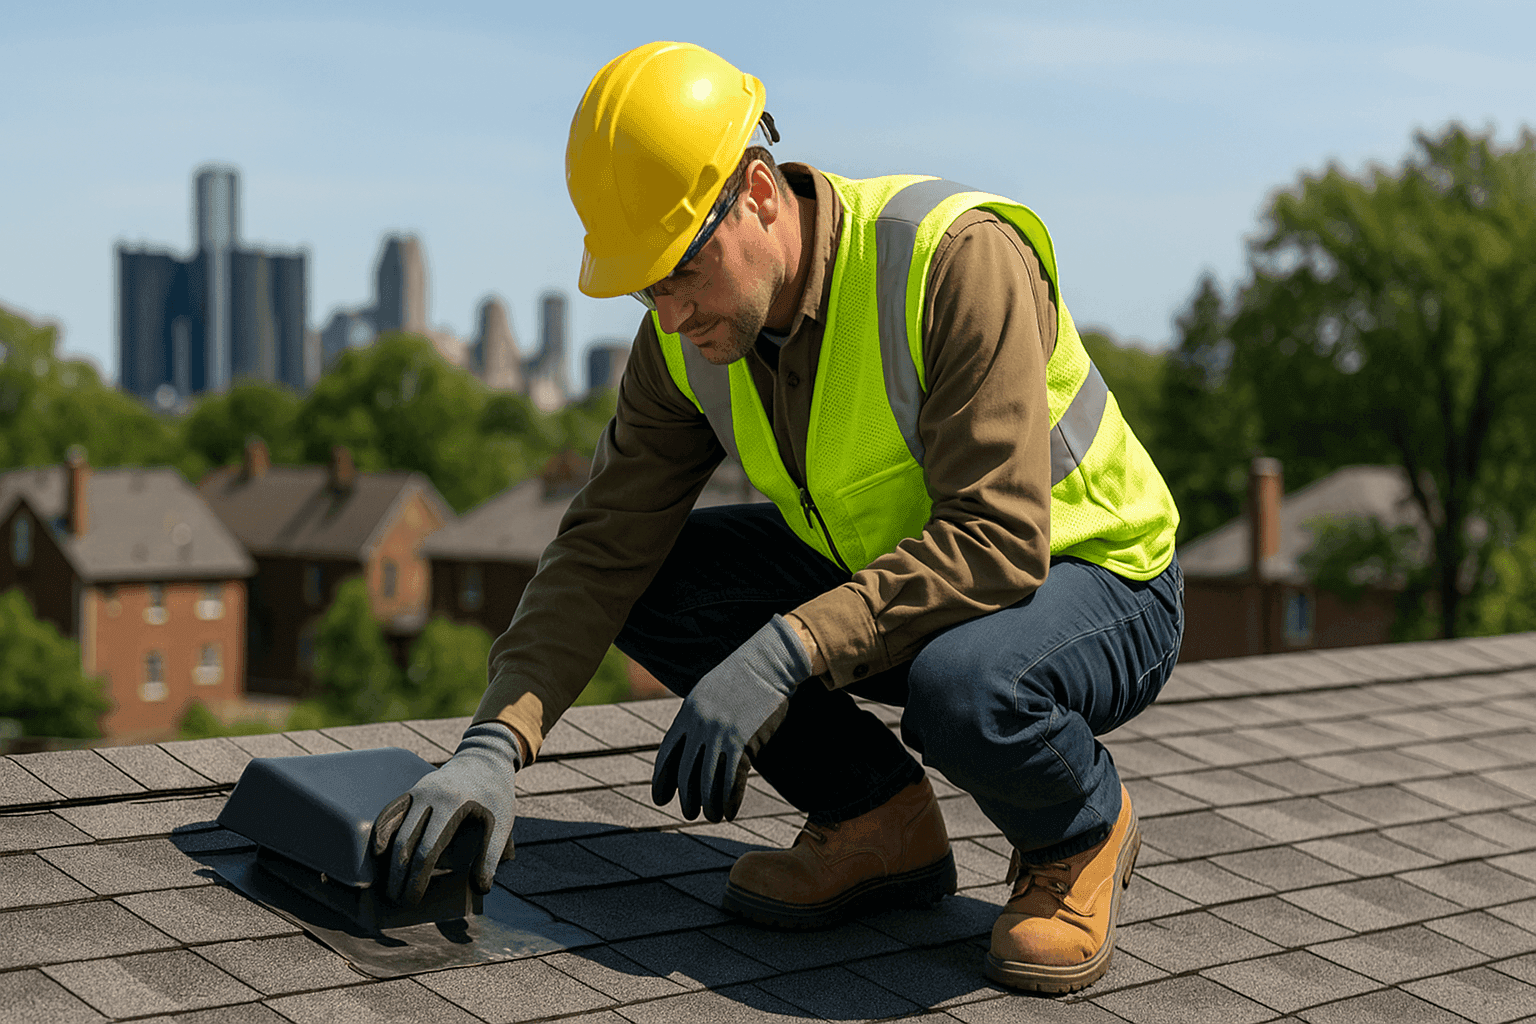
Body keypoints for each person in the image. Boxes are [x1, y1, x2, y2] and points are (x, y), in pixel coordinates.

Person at [373, 40, 1183, 994]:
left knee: (966, 688)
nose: (670, 315)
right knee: (656, 580)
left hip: (1097, 579)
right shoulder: (682, 342)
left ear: (759, 192)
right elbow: (600, 549)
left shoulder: (952, 261)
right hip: (906, 584)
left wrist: (785, 649)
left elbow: (999, 540)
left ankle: (1080, 830)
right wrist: (492, 745)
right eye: (645, 288)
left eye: (681, 271)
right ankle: (878, 821)